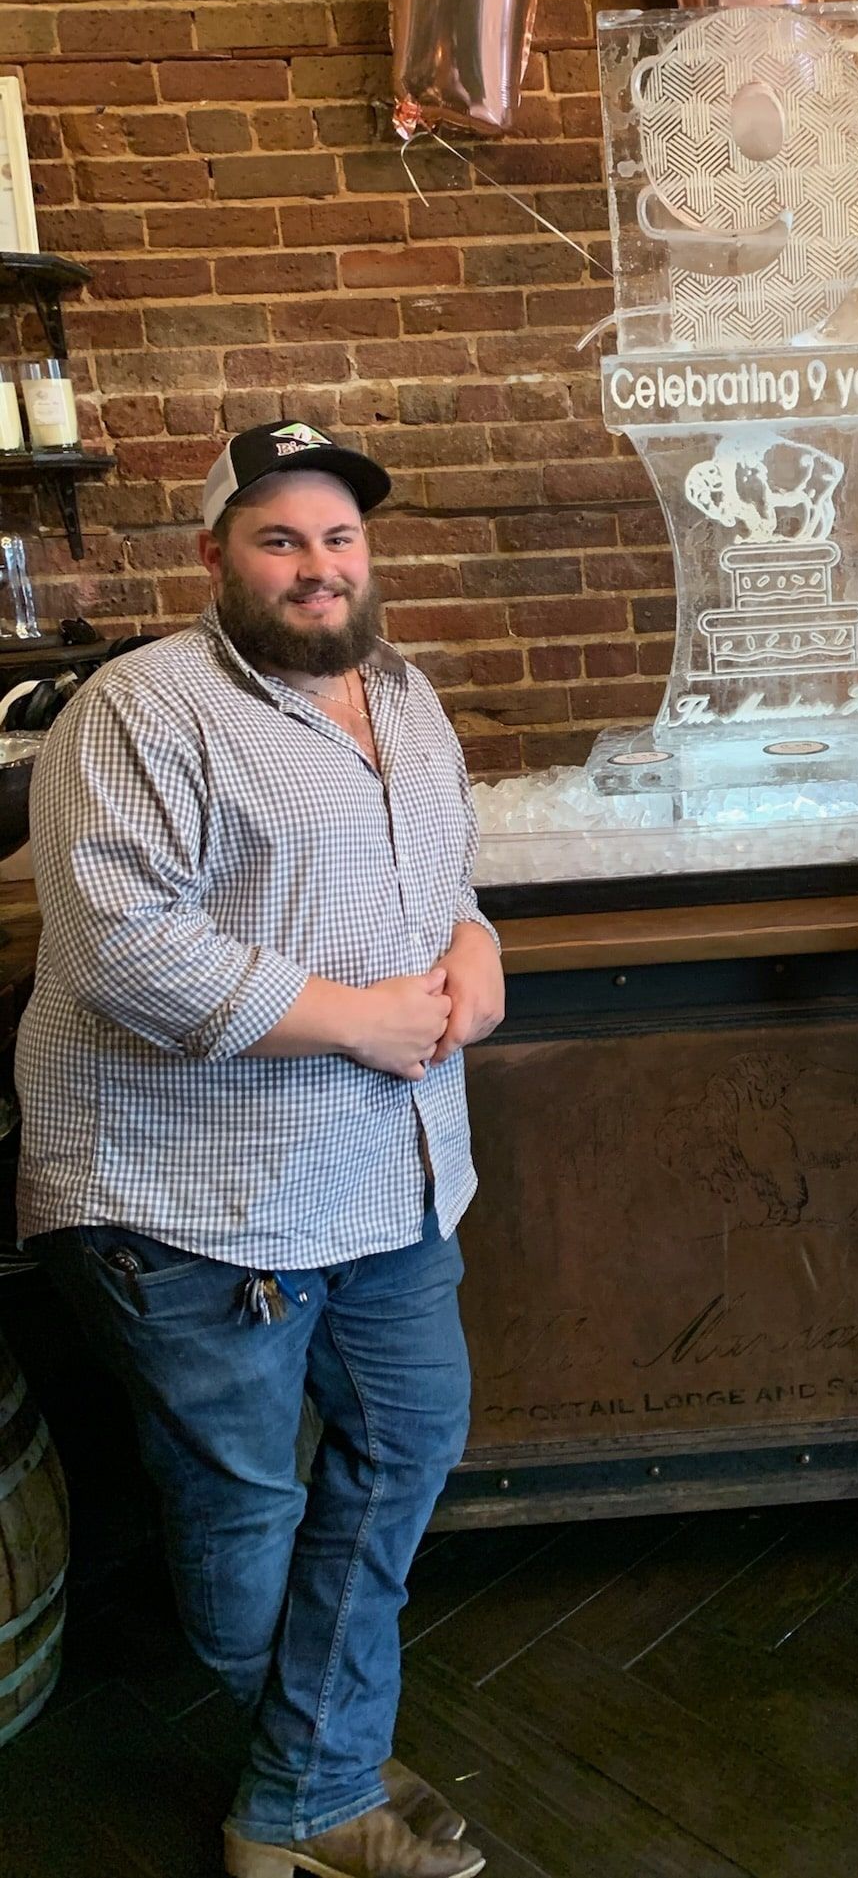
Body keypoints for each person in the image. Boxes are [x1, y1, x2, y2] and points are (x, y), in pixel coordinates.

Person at [15, 421, 506, 1878]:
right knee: (245, 1506)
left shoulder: (405, 696)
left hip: (392, 1171)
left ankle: (306, 1777)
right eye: (279, 536)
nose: (315, 563)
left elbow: (446, 867)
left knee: (411, 1435)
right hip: (194, 1194)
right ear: (216, 554)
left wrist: (475, 949)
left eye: (338, 537)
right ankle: (311, 1787)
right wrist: (357, 1017)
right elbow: (121, 948)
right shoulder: (137, 707)